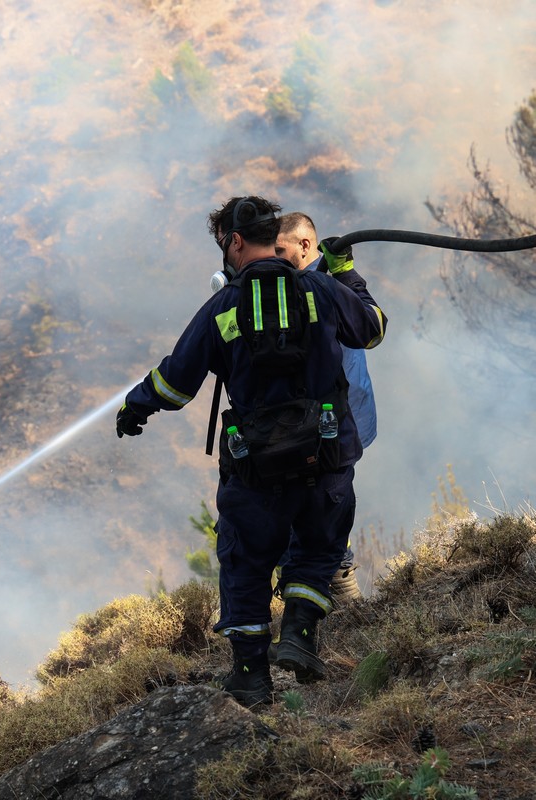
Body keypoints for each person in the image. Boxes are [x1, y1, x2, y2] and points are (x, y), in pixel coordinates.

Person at [116, 196, 387, 707]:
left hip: (255, 465)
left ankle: (249, 677)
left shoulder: (222, 307)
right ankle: (301, 635)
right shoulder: (321, 290)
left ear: (236, 242)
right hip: (325, 452)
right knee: (317, 546)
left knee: (245, 561)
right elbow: (372, 329)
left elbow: (176, 382)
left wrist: (136, 407)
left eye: (224, 244)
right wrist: (348, 275)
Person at [275, 211, 377, 602]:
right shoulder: (312, 284)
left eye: (280, 250)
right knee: (316, 510)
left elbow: (373, 327)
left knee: (318, 513)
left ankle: (334, 603)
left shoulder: (318, 289)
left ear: (305, 245)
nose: (274, 258)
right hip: (324, 426)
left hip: (330, 425)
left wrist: (348, 276)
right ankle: (329, 604)